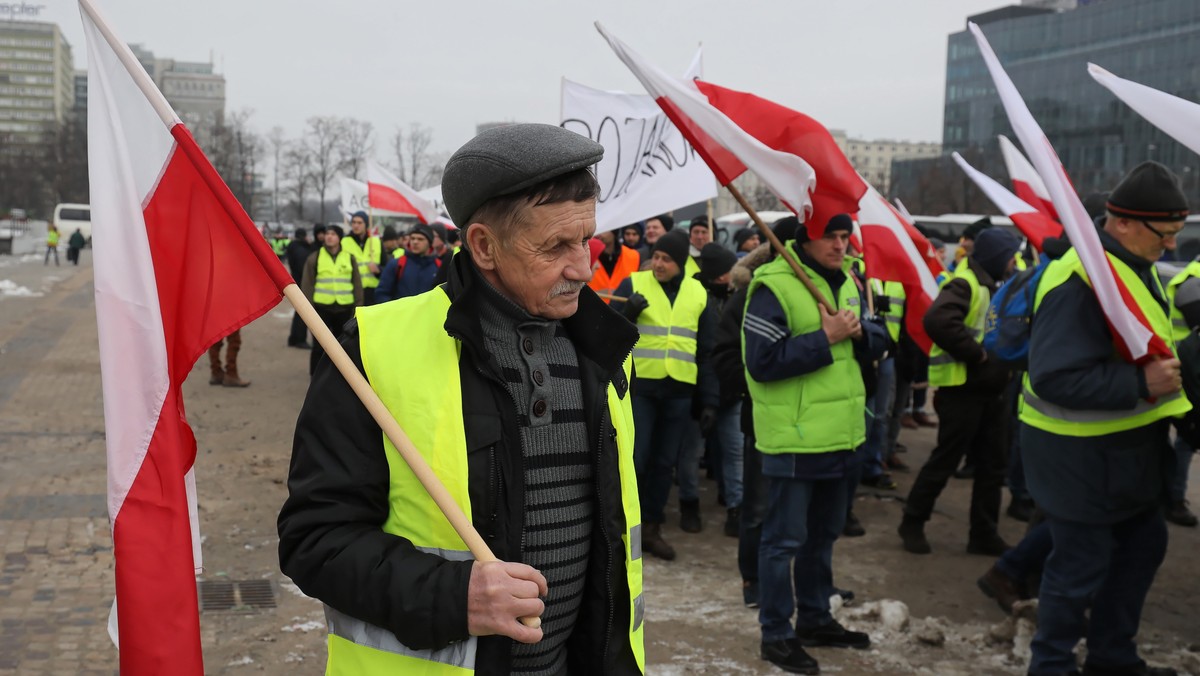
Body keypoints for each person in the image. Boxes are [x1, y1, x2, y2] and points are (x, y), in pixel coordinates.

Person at [278, 123, 644, 675]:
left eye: (586, 239)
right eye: (556, 247)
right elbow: (315, 539)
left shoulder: (605, 350)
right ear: (483, 246)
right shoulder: (376, 348)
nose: (584, 268)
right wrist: (453, 596)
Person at [1021, 162, 1191, 676]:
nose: (1172, 248)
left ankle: (1112, 657)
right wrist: (1141, 385)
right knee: (1078, 568)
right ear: (1123, 223)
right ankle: (1050, 666)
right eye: (1165, 235)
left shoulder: (1129, 264)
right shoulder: (1080, 279)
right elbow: (1053, 376)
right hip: (1077, 456)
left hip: (1124, 451)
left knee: (1143, 546)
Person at [744, 213, 887, 674]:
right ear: (806, 238)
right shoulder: (773, 286)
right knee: (783, 541)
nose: (841, 245)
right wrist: (824, 337)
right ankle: (777, 634)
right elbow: (762, 362)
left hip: (843, 435)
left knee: (823, 537)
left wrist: (862, 332)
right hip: (795, 437)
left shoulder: (846, 281)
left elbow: (879, 337)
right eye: (832, 236)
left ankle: (815, 617)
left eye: (846, 237)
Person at [898, 227, 1020, 556]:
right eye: (1011, 256)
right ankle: (912, 522)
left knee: (993, 465)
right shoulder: (966, 282)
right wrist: (978, 356)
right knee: (945, 461)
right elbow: (937, 321)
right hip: (961, 390)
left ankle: (983, 534)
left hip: (989, 391)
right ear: (997, 257)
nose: (1014, 262)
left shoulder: (990, 283)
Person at [612, 228, 719, 560]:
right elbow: (604, 330)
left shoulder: (698, 293)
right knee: (637, 459)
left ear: (681, 263)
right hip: (641, 388)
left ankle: (652, 527)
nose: (657, 264)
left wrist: (709, 399)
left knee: (663, 464)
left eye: (666, 259)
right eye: (655, 256)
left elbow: (707, 352)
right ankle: (626, 527)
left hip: (679, 392)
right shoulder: (633, 283)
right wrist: (626, 313)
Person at [694, 242, 742, 536]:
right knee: (692, 455)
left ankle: (735, 505)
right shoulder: (698, 299)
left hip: (733, 389)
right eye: (728, 271)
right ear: (716, 275)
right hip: (699, 391)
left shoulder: (740, 296)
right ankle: (689, 504)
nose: (733, 275)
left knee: (734, 450)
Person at [300, 224, 363, 375]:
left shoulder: (349, 258)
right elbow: (307, 284)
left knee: (342, 346)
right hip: (322, 308)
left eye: (333, 234)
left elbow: (357, 284)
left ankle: (338, 377)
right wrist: (307, 309)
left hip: (344, 308)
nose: (329, 236)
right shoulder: (314, 258)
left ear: (339, 238)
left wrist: (358, 307)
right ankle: (315, 376)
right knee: (318, 346)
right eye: (327, 234)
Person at [375, 223, 442, 303]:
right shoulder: (397, 264)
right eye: (412, 238)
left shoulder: (439, 266)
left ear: (429, 242)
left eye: (420, 239)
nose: (415, 242)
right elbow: (382, 293)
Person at [587, 229, 640, 303]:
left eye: (604, 228)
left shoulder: (633, 256)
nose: (598, 232)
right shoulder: (588, 254)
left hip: (623, 311)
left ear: (614, 231)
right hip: (593, 308)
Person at [342, 211, 383, 305]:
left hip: (373, 292)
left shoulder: (376, 242)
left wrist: (378, 270)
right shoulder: (344, 242)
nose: (356, 225)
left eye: (360, 223)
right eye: (354, 222)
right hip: (352, 291)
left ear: (366, 224)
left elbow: (386, 266)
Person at [286, 227, 314, 349]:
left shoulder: (293, 246)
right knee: (302, 313)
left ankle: (293, 338)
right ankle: (299, 339)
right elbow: (303, 267)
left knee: (299, 312)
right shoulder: (300, 249)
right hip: (302, 283)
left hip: (296, 280)